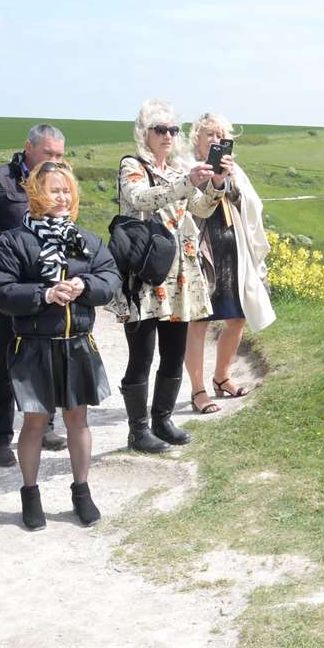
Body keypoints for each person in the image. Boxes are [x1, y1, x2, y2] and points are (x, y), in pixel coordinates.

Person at [0, 162, 119, 529]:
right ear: (34, 194)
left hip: (78, 343)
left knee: (79, 420)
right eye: (53, 190)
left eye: (66, 191)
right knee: (34, 422)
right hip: (33, 346)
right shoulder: (14, 242)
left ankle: (82, 491)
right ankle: (30, 494)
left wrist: (85, 286)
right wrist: (43, 293)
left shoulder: (85, 240)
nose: (61, 197)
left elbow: (111, 278)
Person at [112, 99, 221, 452]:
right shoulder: (132, 165)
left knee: (173, 353)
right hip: (145, 273)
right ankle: (137, 429)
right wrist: (186, 183)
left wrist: (216, 183)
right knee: (141, 356)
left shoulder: (177, 170)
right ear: (145, 134)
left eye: (173, 130)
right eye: (161, 130)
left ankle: (162, 419)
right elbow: (139, 198)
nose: (169, 136)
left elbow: (201, 208)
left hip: (179, 274)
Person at [0, 123, 69, 465]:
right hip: (9, 288)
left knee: (46, 358)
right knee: (5, 361)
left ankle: (45, 426)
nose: (53, 160)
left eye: (59, 155)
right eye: (47, 153)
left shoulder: (58, 181)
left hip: (48, 285)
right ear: (28, 148)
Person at [183, 113, 275, 415]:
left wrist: (232, 180)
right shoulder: (188, 169)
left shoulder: (236, 170)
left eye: (220, 135)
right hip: (202, 251)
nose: (215, 140)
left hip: (233, 252)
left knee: (237, 318)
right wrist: (209, 180)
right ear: (197, 138)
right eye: (209, 134)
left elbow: (252, 205)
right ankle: (198, 390)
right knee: (199, 322)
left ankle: (222, 376)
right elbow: (186, 205)